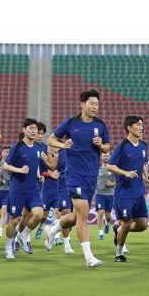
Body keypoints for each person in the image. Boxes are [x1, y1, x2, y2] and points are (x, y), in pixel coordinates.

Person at [45, 89, 111, 269]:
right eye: (92, 103)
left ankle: (52, 230)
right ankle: (89, 257)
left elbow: (107, 147)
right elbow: (51, 139)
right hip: (74, 174)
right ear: (82, 104)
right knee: (82, 212)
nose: (95, 107)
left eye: (97, 104)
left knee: (75, 216)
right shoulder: (71, 123)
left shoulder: (100, 125)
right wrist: (62, 144)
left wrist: (102, 146)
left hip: (92, 175)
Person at [106, 115, 149, 263]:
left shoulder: (144, 146)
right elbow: (109, 166)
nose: (141, 127)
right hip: (124, 192)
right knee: (126, 222)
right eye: (137, 125)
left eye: (141, 125)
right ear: (129, 128)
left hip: (139, 192)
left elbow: (143, 163)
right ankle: (119, 253)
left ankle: (119, 230)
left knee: (143, 225)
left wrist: (146, 174)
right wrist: (125, 173)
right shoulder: (122, 146)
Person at [2, 119, 46, 260]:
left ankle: (23, 235)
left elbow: (37, 164)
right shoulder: (18, 146)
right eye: (31, 128)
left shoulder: (39, 148)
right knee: (15, 220)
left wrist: (39, 175)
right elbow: (6, 166)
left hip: (32, 188)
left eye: (35, 129)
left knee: (39, 214)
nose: (34, 131)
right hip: (17, 189)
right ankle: (8, 247)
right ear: (24, 130)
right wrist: (20, 170)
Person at [94, 157, 116, 241]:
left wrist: (112, 183)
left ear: (109, 157)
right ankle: (100, 233)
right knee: (100, 212)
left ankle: (107, 223)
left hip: (110, 195)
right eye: (104, 155)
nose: (105, 157)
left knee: (108, 216)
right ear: (101, 157)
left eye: (107, 155)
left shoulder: (113, 169)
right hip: (100, 194)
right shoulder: (97, 169)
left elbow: (117, 181)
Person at [0, 147, 11, 238]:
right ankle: (2, 221)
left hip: (8, 191)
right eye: (5, 152)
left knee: (4, 210)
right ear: (2, 153)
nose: (6, 153)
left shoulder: (12, 164)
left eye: (8, 152)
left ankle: (0, 229)